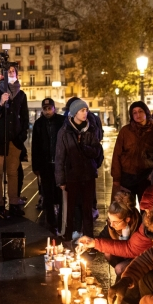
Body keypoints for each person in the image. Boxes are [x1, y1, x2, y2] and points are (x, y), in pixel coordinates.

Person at [55, 99, 103, 240]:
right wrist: (61, 180)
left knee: (87, 209)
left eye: (86, 110)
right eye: (82, 110)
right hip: (72, 175)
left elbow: (96, 151)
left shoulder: (91, 128)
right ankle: (68, 237)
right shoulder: (64, 131)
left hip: (88, 175)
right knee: (70, 209)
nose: (85, 113)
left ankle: (88, 237)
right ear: (74, 112)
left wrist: (85, 148)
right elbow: (60, 157)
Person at [0, 64, 29, 219]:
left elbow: (25, 118)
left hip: (14, 141)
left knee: (13, 173)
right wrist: (0, 103)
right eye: (7, 71)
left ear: (17, 74)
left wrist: (21, 138)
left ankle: (14, 203)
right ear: (2, 75)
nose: (10, 73)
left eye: (13, 71)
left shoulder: (21, 95)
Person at [77, 191, 150, 279]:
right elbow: (101, 239)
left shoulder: (139, 227)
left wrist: (95, 243)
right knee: (108, 253)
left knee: (120, 268)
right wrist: (88, 245)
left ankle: (124, 279)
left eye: (115, 222)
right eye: (109, 220)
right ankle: (122, 277)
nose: (111, 225)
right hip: (124, 254)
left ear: (127, 219)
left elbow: (130, 249)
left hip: (140, 257)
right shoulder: (112, 226)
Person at [111, 101, 153, 203]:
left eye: (140, 111)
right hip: (127, 176)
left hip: (146, 177)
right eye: (134, 112)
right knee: (126, 209)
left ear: (146, 112)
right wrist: (116, 178)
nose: (138, 115)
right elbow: (117, 154)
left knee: (146, 210)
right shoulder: (125, 131)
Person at [32, 98, 65, 233]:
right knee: (48, 194)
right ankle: (51, 222)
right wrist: (36, 166)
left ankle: (62, 220)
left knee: (60, 193)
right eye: (45, 109)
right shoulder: (39, 124)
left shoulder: (62, 121)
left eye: (49, 108)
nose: (47, 111)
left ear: (54, 108)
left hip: (59, 164)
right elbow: (35, 146)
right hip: (45, 164)